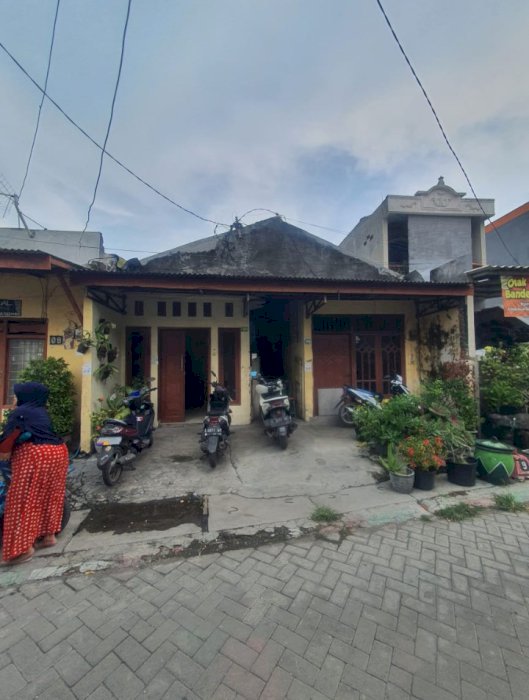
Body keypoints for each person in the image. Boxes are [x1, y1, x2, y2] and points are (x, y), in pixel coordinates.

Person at [1, 382, 69, 565]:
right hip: (58, 453)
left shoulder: (20, 412)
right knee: (50, 496)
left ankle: (22, 550)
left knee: (22, 501)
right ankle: (48, 536)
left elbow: (8, 440)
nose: (14, 398)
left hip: (36, 456)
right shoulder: (40, 411)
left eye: (16, 394)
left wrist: (4, 452)